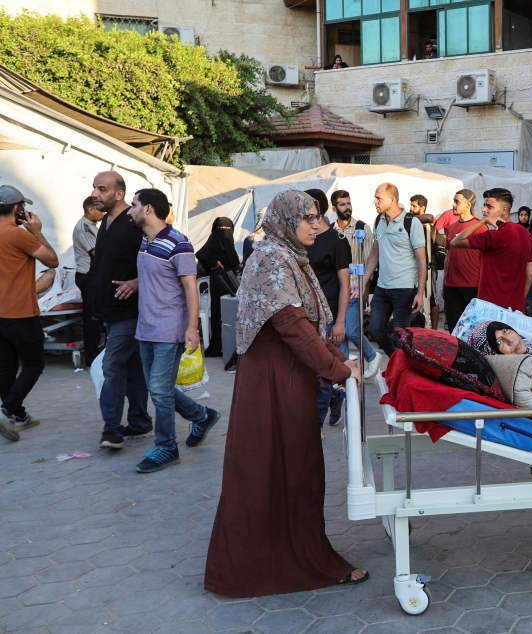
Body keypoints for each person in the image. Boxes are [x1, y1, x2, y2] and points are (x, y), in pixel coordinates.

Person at [205, 189, 366, 597]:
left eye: (319, 217)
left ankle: (299, 556)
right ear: (287, 219)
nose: (317, 225)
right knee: (269, 471)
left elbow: (309, 326)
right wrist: (338, 369)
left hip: (289, 379)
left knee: (298, 470)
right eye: (309, 217)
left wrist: (338, 363)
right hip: (272, 383)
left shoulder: (291, 255)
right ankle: (260, 568)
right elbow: (293, 327)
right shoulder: (272, 257)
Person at [127, 189, 220, 473]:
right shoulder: (145, 240)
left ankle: (167, 447)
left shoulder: (179, 243)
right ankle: (202, 416)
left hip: (169, 328)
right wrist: (134, 283)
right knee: (160, 389)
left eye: (134, 205)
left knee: (158, 389)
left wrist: (192, 328)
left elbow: (191, 286)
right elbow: (154, 276)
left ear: (148, 210)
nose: (130, 210)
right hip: (146, 327)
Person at [90, 171, 152, 450]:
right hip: (109, 308)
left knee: (112, 365)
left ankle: (111, 430)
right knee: (132, 366)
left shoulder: (135, 220)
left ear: (118, 194)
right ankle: (139, 421)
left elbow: (160, 255)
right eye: (94, 188)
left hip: (131, 310)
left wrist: (138, 282)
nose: (95, 194)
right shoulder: (105, 221)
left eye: (101, 189)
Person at [0, 185, 58, 442]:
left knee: (6, 367)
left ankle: (18, 416)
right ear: (17, 208)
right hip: (20, 312)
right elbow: (52, 261)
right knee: (34, 364)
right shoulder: (18, 235)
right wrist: (37, 233)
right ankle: (5, 410)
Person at [361, 183, 427, 356]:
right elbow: (374, 253)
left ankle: (403, 371)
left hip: (404, 289)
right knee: (374, 330)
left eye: (378, 198)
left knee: (401, 336)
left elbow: (422, 259)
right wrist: (364, 282)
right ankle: (395, 361)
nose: (375, 201)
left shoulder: (411, 222)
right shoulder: (379, 220)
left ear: (392, 199)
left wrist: (420, 293)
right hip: (382, 288)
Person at [304, 189, 351, 427]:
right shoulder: (302, 238)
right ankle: (333, 399)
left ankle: (316, 426)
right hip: (305, 315)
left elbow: (345, 284)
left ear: (318, 210)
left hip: (330, 315)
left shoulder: (337, 241)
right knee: (315, 371)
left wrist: (341, 321)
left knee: (326, 369)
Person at [451, 188, 532, 313]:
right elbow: (530, 273)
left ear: (504, 209)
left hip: (490, 308)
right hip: (515, 309)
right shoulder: (526, 234)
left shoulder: (496, 235)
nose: (484, 209)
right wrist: (520, 300)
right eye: (484, 205)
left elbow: (455, 242)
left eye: (490, 206)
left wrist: (483, 221)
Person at [330, 190, 380, 378]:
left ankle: (372, 355)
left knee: (351, 330)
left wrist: (365, 289)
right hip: (336, 290)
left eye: (349, 203)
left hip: (355, 289)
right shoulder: (330, 230)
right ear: (334, 208)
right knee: (338, 334)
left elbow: (369, 261)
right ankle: (345, 371)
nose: (347, 207)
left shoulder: (362, 227)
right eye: (343, 204)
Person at [196, 217, 240, 357]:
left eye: (228, 229)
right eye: (222, 229)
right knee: (219, 312)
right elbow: (200, 254)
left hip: (230, 279)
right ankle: (219, 346)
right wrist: (213, 262)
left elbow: (233, 261)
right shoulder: (214, 242)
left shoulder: (229, 244)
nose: (225, 232)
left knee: (232, 312)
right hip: (219, 280)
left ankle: (232, 345)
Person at [443, 190, 486, 331]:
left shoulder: (480, 227)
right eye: (454, 201)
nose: (453, 205)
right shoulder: (451, 228)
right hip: (451, 285)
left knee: (472, 328)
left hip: (471, 284)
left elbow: (485, 258)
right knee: (454, 328)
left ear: (468, 204)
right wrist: (445, 282)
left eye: (457, 202)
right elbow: (448, 256)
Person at [73, 196, 105, 367]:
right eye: (100, 209)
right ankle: (91, 359)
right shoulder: (83, 227)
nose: (103, 212)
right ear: (90, 209)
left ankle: (97, 355)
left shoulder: (92, 226)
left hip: (94, 276)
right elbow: (96, 253)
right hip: (88, 276)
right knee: (92, 319)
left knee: (98, 318)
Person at [409, 194, 438, 328]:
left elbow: (430, 218)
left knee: (431, 298)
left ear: (423, 207)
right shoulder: (411, 221)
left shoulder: (423, 220)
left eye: (414, 206)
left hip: (429, 265)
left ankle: (435, 330)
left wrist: (408, 217)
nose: (411, 208)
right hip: (415, 265)